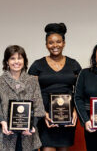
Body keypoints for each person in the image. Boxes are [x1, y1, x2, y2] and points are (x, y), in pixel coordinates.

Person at [28, 23, 81, 151]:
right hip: (45, 117)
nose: (55, 45)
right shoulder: (37, 65)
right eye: (51, 43)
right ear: (46, 45)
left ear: (64, 43)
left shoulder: (73, 64)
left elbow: (80, 92)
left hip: (67, 116)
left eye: (58, 42)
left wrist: (75, 111)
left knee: (64, 149)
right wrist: (42, 113)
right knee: (47, 148)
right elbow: (30, 92)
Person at [0, 45, 45, 151]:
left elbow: (39, 106)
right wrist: (2, 121)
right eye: (12, 58)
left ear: (24, 60)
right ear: (7, 61)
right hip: (6, 135)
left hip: (29, 135)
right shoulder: (1, 81)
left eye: (20, 58)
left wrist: (31, 125)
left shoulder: (33, 81)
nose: (16, 61)